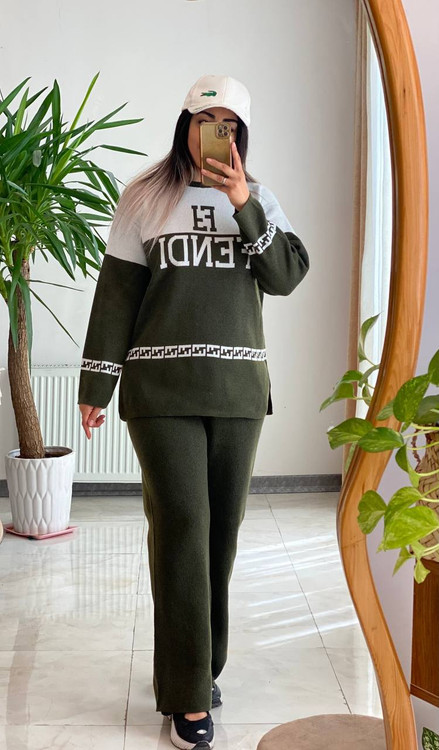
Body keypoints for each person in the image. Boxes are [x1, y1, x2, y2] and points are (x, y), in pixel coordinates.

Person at [77, 73, 309, 750]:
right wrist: (96, 385)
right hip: (161, 392)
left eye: (228, 125)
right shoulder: (144, 197)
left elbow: (285, 278)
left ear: (241, 135)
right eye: (205, 121)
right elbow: (116, 296)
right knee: (182, 527)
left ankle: (202, 668)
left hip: (237, 393)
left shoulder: (259, 199)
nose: (215, 133)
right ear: (184, 126)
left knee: (221, 534)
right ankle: (186, 696)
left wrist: (243, 204)